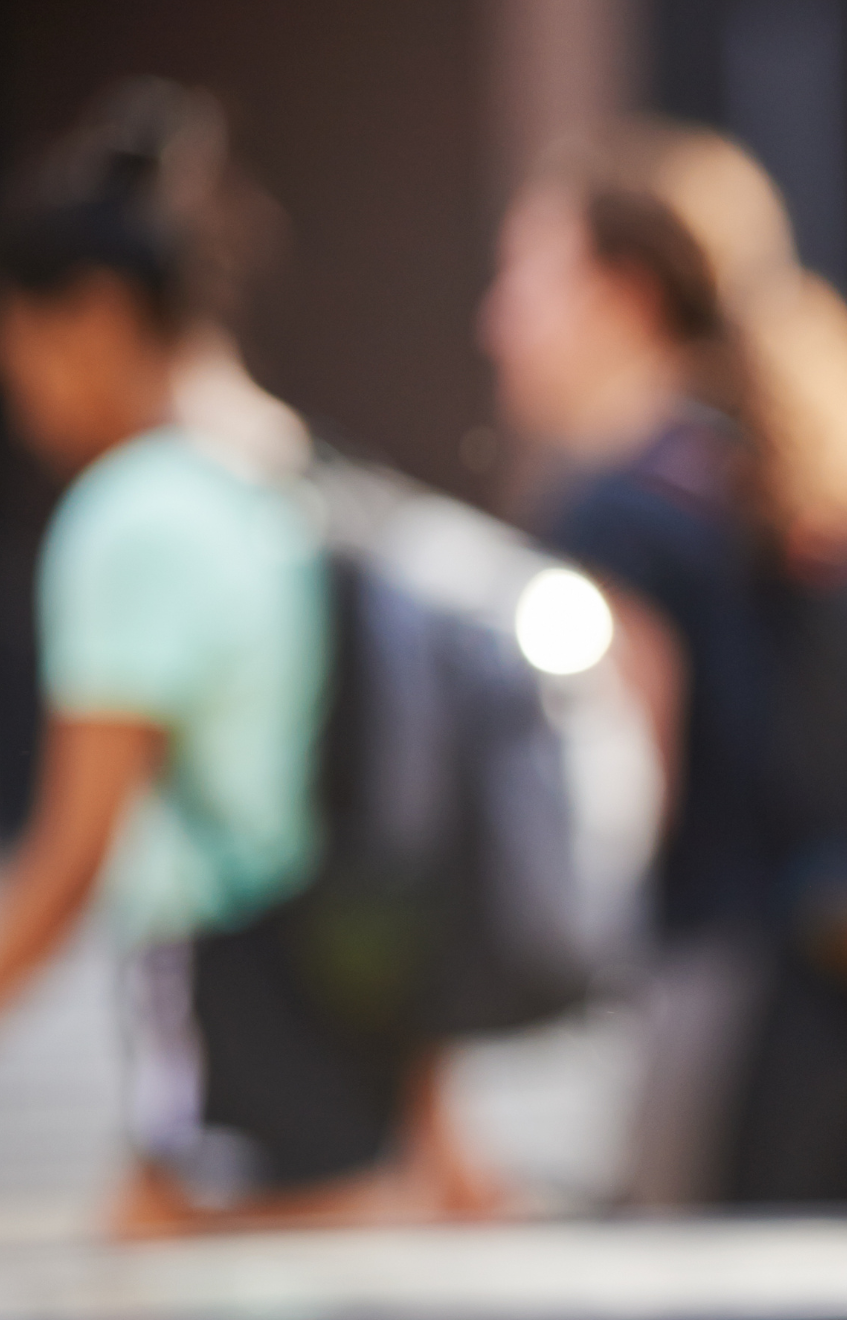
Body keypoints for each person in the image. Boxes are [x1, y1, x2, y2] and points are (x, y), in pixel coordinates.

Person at [0, 79, 490, 1234]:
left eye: (22, 352)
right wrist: (438, 1121)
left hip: (234, 1022)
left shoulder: (134, 516)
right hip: (352, 1014)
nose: (21, 398)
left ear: (100, 317)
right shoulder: (304, 474)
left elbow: (71, 861)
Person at [482, 122, 847, 1208]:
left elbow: (620, 790)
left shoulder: (616, 506)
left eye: (526, 275)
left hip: (719, 988)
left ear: (623, 293)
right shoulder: (762, 466)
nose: (496, 320)